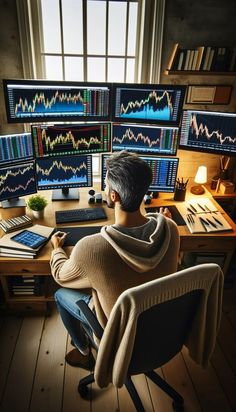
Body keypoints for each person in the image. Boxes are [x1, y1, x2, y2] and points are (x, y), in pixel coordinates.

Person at [50, 151, 180, 370]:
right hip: (162, 330)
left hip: (119, 339)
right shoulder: (171, 229)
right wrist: (165, 223)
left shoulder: (91, 248)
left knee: (60, 294)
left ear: (114, 196)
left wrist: (56, 249)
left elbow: (60, 275)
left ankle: (83, 352)